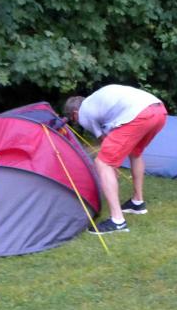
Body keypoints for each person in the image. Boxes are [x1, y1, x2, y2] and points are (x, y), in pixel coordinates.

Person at [64, 85, 167, 234]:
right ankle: (137, 202)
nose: (75, 121)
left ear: (75, 113)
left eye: (73, 119)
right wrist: (113, 164)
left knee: (102, 163)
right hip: (159, 111)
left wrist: (111, 166)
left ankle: (117, 221)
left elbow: (104, 139)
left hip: (139, 114)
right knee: (135, 153)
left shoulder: (84, 113)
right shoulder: (95, 101)